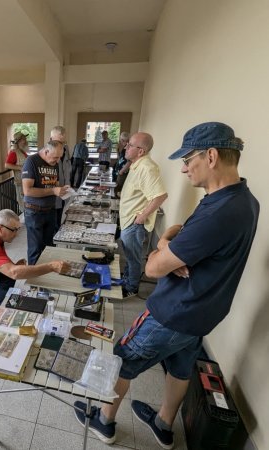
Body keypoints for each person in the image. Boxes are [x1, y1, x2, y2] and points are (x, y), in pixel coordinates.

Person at [73, 122, 259, 449]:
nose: (184, 168)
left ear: (211, 156)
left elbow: (154, 268)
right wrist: (172, 242)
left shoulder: (219, 212)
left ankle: (104, 421)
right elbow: (177, 229)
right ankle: (163, 424)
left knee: (121, 359)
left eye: (189, 160)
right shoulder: (243, 199)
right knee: (180, 367)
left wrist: (162, 249)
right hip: (204, 312)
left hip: (174, 311)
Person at [119, 132, 168, 298]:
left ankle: (131, 287)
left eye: (130, 145)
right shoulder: (137, 164)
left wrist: (141, 216)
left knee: (133, 257)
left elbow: (160, 196)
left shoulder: (147, 167)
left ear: (141, 151)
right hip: (127, 220)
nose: (126, 146)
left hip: (134, 222)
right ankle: (126, 278)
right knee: (128, 253)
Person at [22, 140, 69, 264]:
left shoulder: (54, 162)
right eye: (55, 157)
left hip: (50, 210)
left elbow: (54, 183)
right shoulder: (31, 161)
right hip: (34, 212)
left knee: (49, 247)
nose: (58, 161)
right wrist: (53, 190)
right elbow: (28, 191)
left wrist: (62, 189)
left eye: (60, 157)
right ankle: (34, 281)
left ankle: (47, 276)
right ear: (46, 151)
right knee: (35, 249)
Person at [50, 126, 71, 229]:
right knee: (52, 222)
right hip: (51, 195)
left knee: (59, 219)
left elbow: (67, 167)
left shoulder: (65, 149)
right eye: (58, 142)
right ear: (51, 139)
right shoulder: (47, 151)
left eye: (62, 142)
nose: (60, 145)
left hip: (64, 191)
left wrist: (68, 184)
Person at [5, 131, 29, 213]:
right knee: (23, 202)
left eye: (25, 139)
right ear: (18, 142)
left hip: (25, 182)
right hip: (20, 183)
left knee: (26, 201)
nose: (25, 141)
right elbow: (7, 165)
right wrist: (19, 167)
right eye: (23, 139)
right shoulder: (13, 153)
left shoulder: (23, 152)